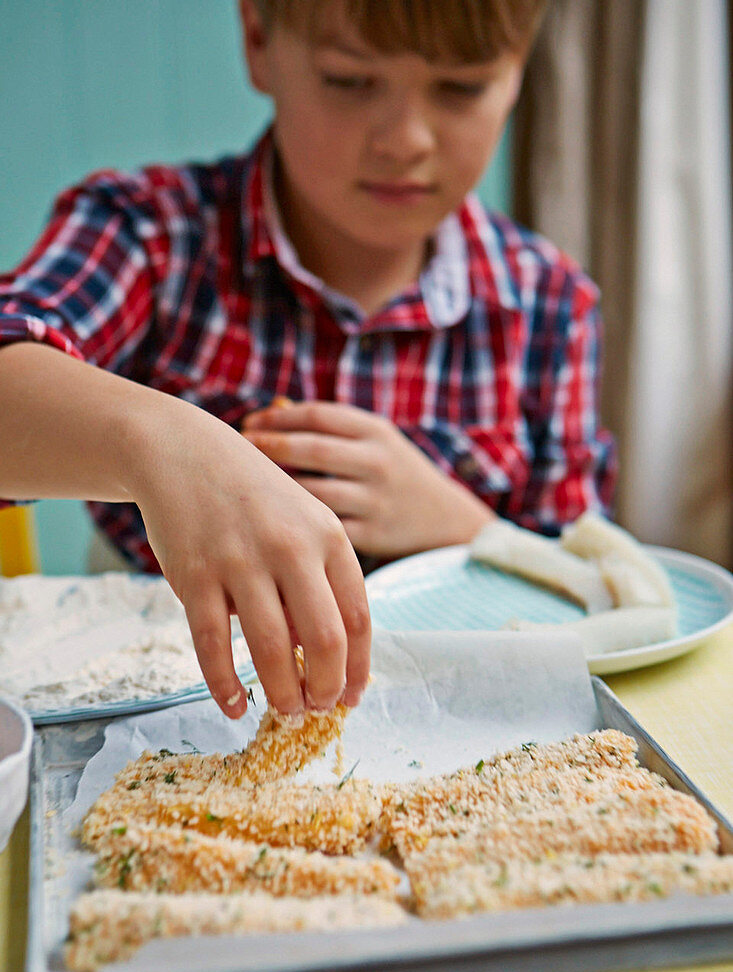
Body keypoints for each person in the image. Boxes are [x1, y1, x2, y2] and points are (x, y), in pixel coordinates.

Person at [0, 0, 616, 717]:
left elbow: (602, 595)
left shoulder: (547, 304)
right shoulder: (150, 235)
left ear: (516, 77)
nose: (404, 140)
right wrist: (166, 445)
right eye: (350, 81)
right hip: (177, 717)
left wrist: (466, 530)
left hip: (458, 727)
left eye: (459, 88)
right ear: (259, 42)